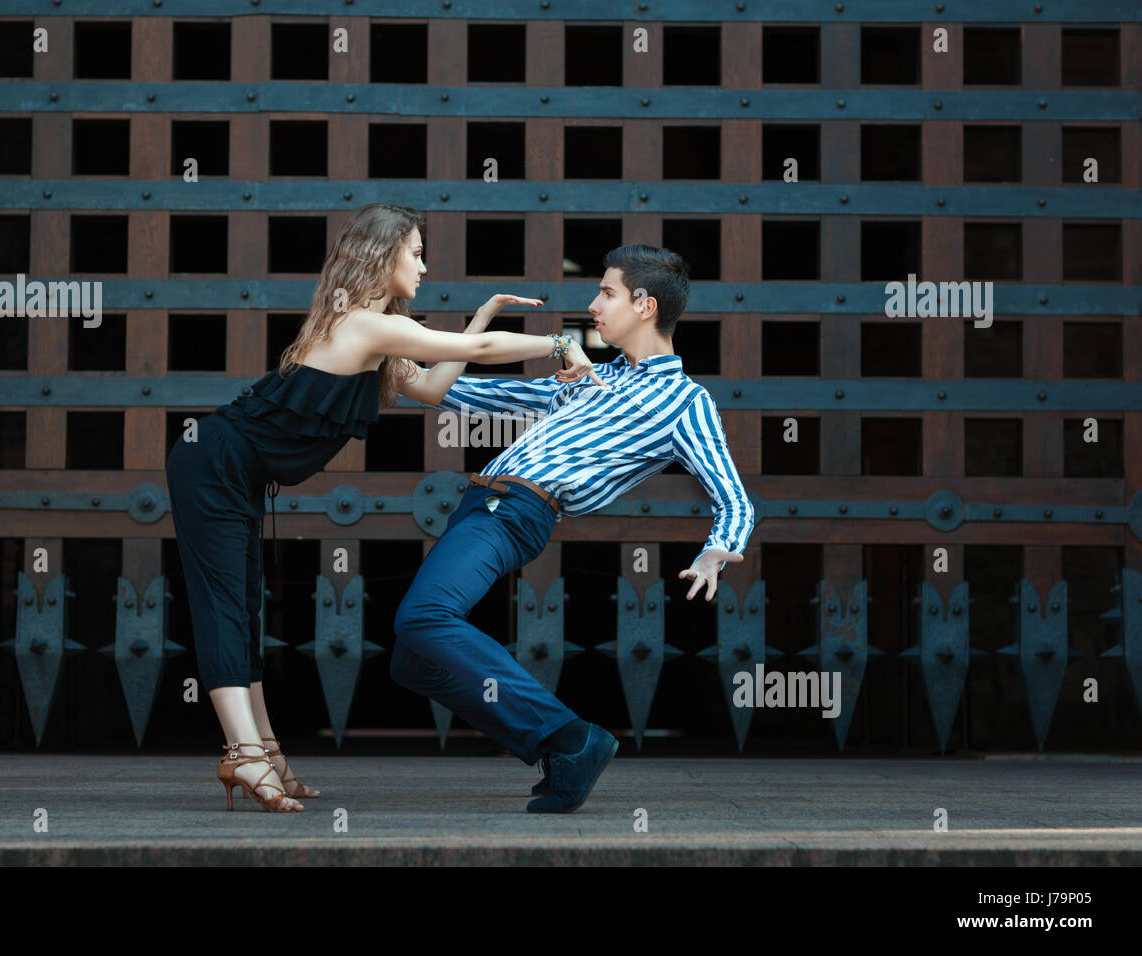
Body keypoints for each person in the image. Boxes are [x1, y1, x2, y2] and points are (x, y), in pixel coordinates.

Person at [166, 203, 603, 812]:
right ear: (383, 253)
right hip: (212, 464)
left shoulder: (373, 333)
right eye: (416, 253)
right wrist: (562, 342)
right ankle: (243, 756)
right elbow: (480, 348)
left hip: (231, 473)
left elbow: (430, 385)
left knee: (243, 605)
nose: (423, 266)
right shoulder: (365, 326)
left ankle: (265, 753)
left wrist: (478, 320)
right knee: (224, 605)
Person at [391, 244, 756, 813]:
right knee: (414, 660)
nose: (593, 305)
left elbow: (733, 497)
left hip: (513, 514)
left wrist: (717, 551)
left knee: (423, 618)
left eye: (606, 293)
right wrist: (400, 357)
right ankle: (557, 751)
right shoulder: (588, 379)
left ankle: (571, 737)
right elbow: (482, 395)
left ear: (646, 306)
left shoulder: (685, 402)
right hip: (479, 506)